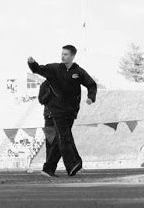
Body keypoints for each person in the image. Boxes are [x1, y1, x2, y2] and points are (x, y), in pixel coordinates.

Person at [27, 45, 97, 177]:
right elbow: (38, 69)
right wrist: (32, 63)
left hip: (71, 111)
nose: (62, 56)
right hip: (56, 110)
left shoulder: (79, 71)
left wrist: (90, 97)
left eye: (65, 54)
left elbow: (91, 84)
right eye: (62, 54)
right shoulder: (53, 69)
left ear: (72, 56)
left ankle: (48, 169)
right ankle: (72, 166)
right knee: (64, 138)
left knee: (62, 139)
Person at [38, 80, 61, 177]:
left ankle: (49, 168)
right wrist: (48, 93)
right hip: (49, 117)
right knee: (51, 144)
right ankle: (49, 170)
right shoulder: (44, 85)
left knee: (60, 142)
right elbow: (41, 100)